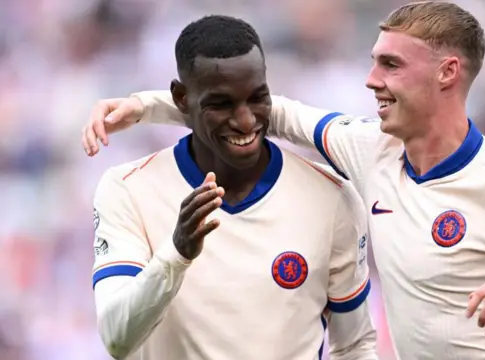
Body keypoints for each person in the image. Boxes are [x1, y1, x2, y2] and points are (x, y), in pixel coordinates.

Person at [82, 2, 485, 359]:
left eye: (391, 66)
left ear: (447, 73)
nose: (371, 80)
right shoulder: (370, 151)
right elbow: (252, 112)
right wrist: (143, 105)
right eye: (373, 62)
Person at [89, 15, 377, 360]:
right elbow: (117, 339)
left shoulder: (332, 197)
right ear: (181, 98)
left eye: (258, 98)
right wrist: (175, 254)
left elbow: (355, 346)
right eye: (222, 104)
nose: (245, 120)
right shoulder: (127, 189)